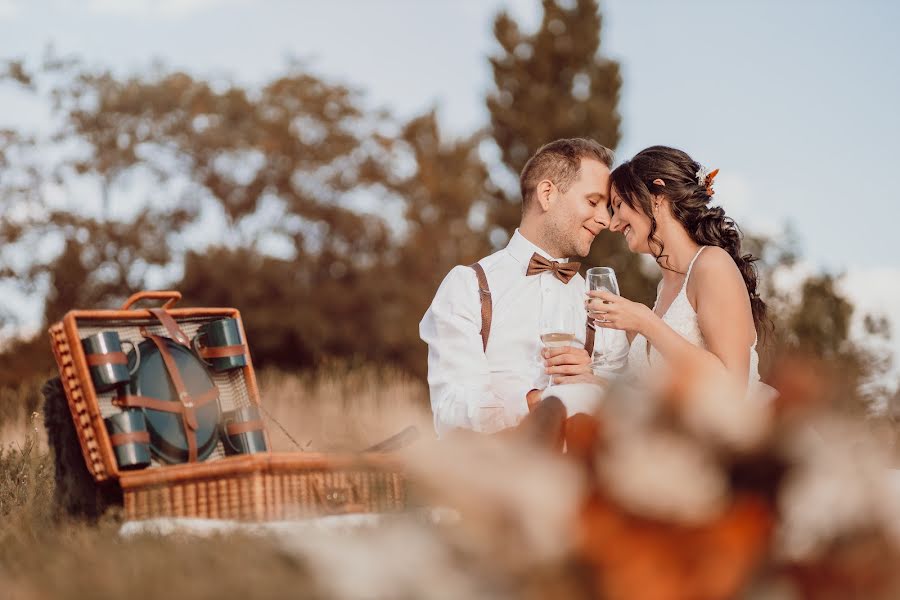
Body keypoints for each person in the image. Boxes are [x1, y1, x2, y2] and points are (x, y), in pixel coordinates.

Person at [420, 138, 617, 436]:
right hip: (496, 476)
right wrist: (540, 404)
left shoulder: (598, 298)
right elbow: (450, 411)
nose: (605, 219)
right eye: (593, 202)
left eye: (608, 207)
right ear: (547, 194)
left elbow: (625, 405)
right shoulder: (468, 286)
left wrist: (593, 381)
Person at [587, 145, 767, 396]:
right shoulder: (666, 287)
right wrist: (590, 377)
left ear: (657, 195)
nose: (614, 224)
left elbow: (732, 387)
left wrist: (645, 322)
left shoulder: (712, 265)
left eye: (618, 205)